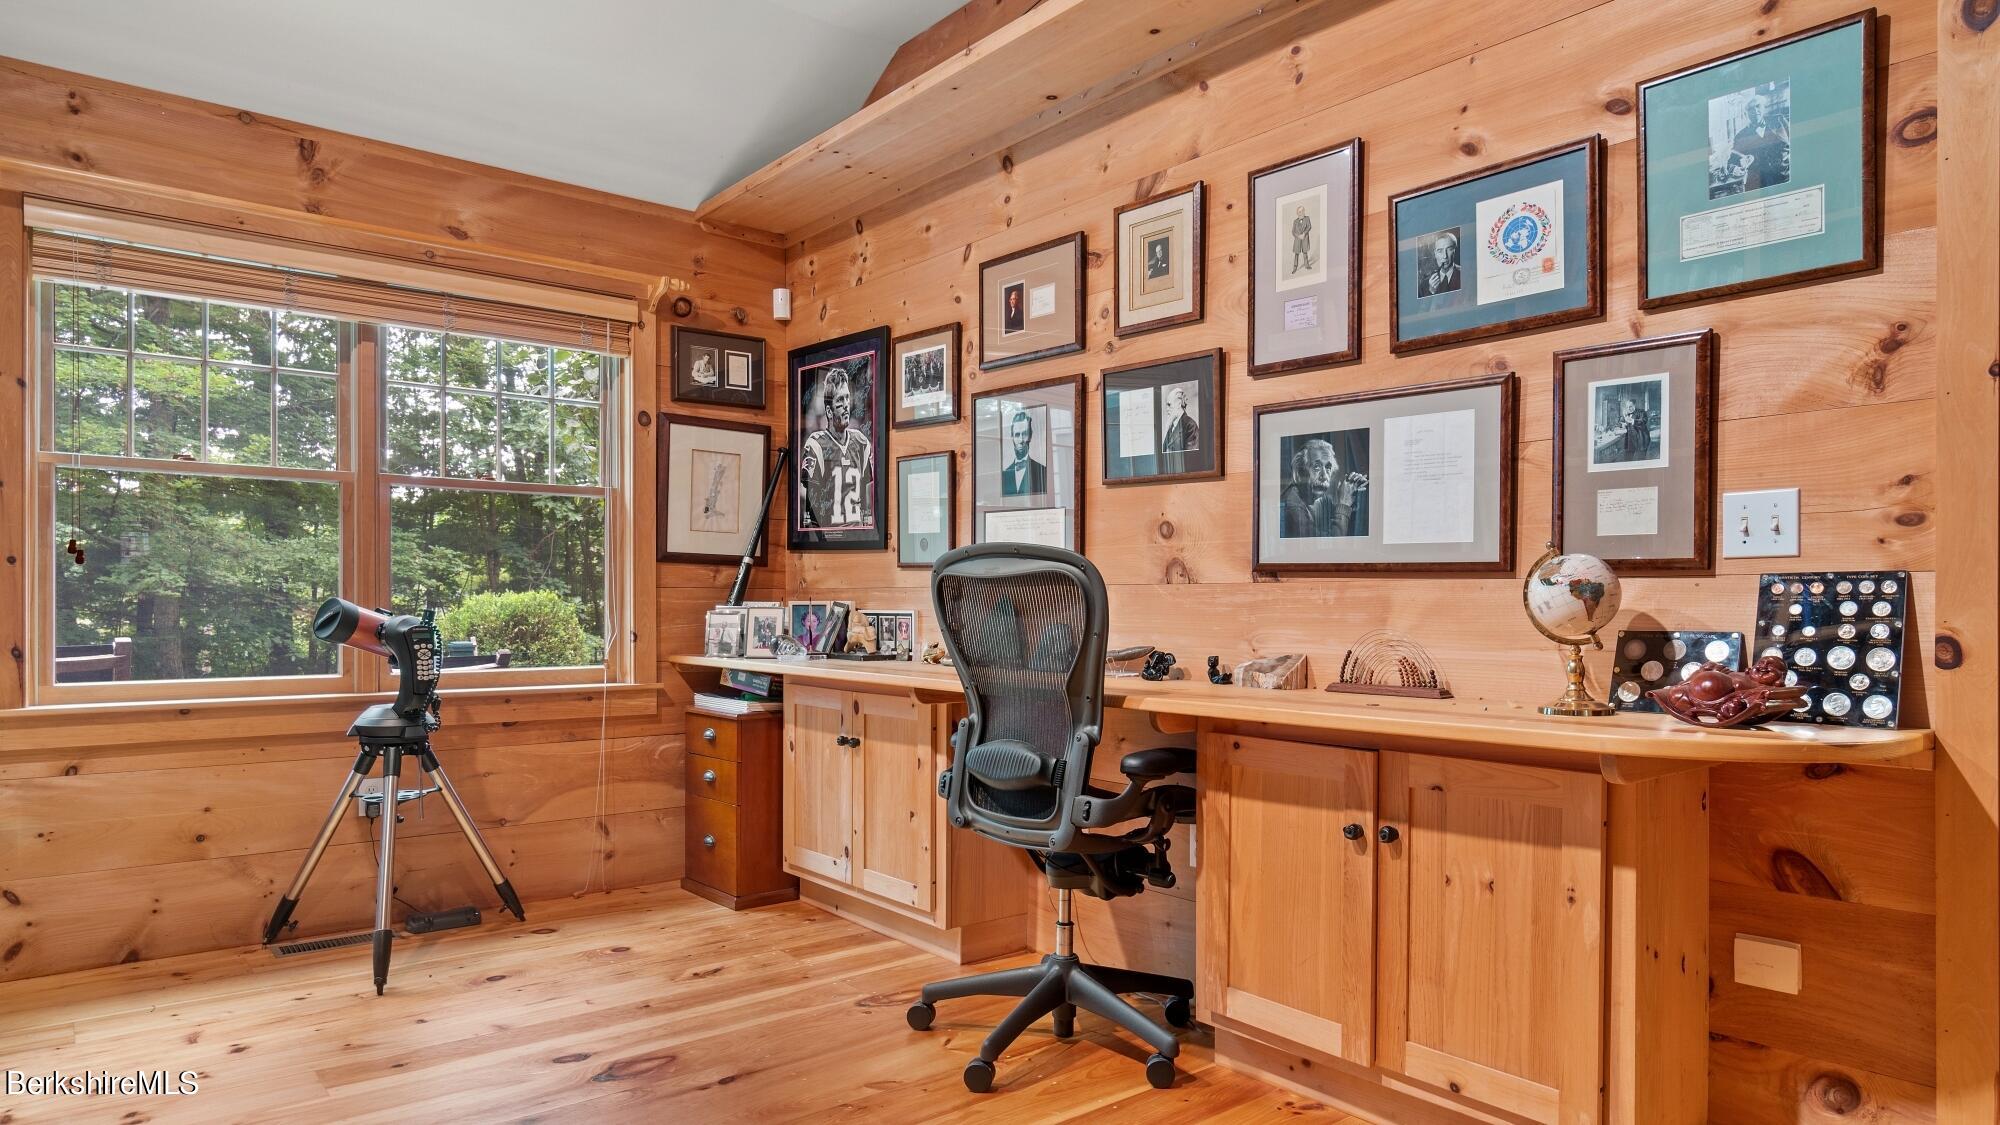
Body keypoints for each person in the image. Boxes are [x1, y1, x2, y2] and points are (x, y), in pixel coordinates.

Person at [801, 367, 874, 529]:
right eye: (840, 400)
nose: (846, 405)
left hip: (857, 538)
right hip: (830, 537)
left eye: (847, 398)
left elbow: (867, 499)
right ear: (829, 410)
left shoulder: (861, 442)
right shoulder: (816, 444)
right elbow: (809, 504)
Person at [1280, 438, 1366, 537]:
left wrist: (1352, 493)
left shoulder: (1319, 500)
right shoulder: (1293, 504)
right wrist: (1344, 503)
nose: (1324, 476)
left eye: (1328, 467)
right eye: (1317, 467)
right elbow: (1328, 543)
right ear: (1300, 471)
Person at [1730, 93, 1790, 193]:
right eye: (1750, 108)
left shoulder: (1778, 120)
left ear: (1764, 108)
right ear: (1746, 113)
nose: (1755, 110)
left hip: (1785, 176)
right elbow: (1732, 161)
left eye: (1758, 106)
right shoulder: (1740, 136)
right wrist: (1734, 168)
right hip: (1760, 185)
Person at [1001, 409, 1047, 497]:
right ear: (1012, 437)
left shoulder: (1043, 471)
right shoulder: (1004, 476)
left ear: (1030, 435)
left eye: (1025, 434)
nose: (1021, 440)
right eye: (1017, 435)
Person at [1418, 230, 1460, 298]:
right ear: (1435, 254)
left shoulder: (1465, 275)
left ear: (1455, 250)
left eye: (1449, 249)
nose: (1445, 256)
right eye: (1440, 251)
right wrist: (1431, 292)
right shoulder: (1424, 284)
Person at [1161, 386, 1199, 453]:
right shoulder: (1171, 426)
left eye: (1169, 405)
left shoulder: (1190, 425)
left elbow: (1191, 455)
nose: (1167, 409)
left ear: (1178, 404)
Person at [1291, 203, 1315, 275]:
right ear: (1297, 213)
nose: (1302, 212)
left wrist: (1304, 234)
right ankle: (1295, 268)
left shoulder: (1307, 218)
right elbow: (1293, 231)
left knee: (1305, 253)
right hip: (1297, 240)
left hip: (1305, 238)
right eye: (1300, 211)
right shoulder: (1295, 221)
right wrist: (1298, 236)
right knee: (1296, 254)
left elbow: (1309, 227)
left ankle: (1307, 265)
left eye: (1303, 211)